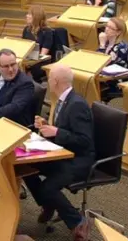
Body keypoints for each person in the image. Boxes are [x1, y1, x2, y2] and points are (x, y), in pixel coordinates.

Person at [27, 63, 94, 241]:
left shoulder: (77, 105)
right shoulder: (64, 100)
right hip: (62, 153)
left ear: (55, 81)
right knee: (26, 169)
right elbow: (65, 129)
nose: (48, 81)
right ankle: (49, 204)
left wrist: (57, 132)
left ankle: (78, 221)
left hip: (78, 160)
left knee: (47, 187)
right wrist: (46, 126)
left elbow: (84, 141)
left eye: (49, 78)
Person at [22, 5, 54, 82]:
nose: (27, 16)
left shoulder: (47, 32)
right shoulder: (26, 29)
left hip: (40, 61)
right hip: (27, 59)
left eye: (30, 14)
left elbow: (42, 54)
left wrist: (29, 64)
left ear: (36, 17)